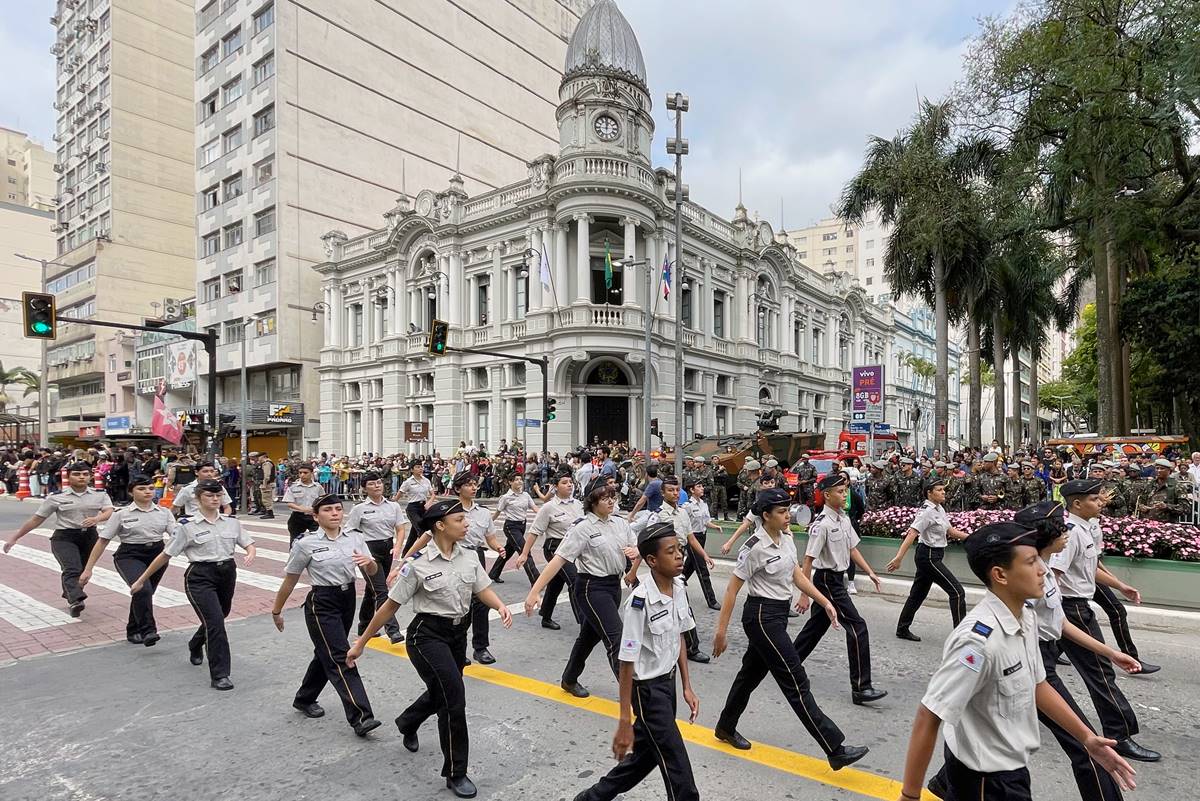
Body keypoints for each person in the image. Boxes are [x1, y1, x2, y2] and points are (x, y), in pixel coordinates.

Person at [896, 522, 1137, 801]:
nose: (1043, 570)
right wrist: (910, 796)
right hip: (985, 780)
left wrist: (1087, 738)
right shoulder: (977, 640)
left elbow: (1037, 684)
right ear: (1000, 575)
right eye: (1031, 561)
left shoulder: (1026, 616)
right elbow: (930, 714)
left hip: (1012, 771)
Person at [347, 498, 512, 800]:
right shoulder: (418, 564)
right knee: (453, 699)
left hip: (458, 634)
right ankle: (456, 772)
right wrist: (361, 643)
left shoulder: (469, 556)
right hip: (426, 637)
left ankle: (408, 721)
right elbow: (388, 607)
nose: (467, 524)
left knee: (443, 691)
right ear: (440, 525)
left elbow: (481, 588)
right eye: (460, 520)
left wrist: (500, 605)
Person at [710, 488, 868, 769]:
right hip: (761, 617)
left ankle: (725, 726)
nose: (788, 516)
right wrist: (721, 631)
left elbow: (796, 574)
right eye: (782, 512)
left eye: (788, 510)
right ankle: (835, 748)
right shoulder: (754, 547)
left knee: (749, 676)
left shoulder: (786, 540)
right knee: (796, 680)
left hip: (778, 614)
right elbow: (733, 590)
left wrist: (824, 601)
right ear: (765, 515)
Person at [1008, 500, 1141, 801]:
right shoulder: (1029, 578)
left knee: (998, 734)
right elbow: (1018, 631)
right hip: (1033, 666)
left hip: (1046, 658)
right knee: (1087, 745)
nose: (1067, 532)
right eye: (1061, 528)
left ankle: (946, 784)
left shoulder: (1044, 571)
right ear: (1045, 535)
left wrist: (1111, 653)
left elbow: (1062, 623)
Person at [570, 522, 701, 801]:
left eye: (679, 549)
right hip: (648, 692)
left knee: (645, 757)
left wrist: (687, 685)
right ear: (652, 560)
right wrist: (624, 721)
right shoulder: (639, 603)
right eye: (671, 552)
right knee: (679, 771)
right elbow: (626, 662)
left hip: (668, 685)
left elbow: (678, 637)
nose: (679, 556)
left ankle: (591, 798)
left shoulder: (679, 587)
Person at [1049, 479, 1161, 762]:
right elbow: (1055, 576)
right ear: (1076, 503)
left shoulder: (1084, 530)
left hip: (1072, 608)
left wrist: (1120, 585)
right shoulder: (1071, 534)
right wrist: (1053, 613)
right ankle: (1119, 735)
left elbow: (1088, 569)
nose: (1100, 502)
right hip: (1070, 610)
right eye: (1094, 499)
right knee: (1101, 673)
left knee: (1039, 668)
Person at [270, 494, 381, 737]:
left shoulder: (355, 537)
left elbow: (371, 570)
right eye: (328, 510)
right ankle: (361, 716)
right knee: (341, 656)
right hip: (322, 602)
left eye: (338, 509)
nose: (334, 513)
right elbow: (291, 579)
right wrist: (277, 610)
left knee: (326, 653)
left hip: (348, 598)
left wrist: (369, 563)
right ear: (316, 516)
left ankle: (304, 698)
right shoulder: (304, 543)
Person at [130, 479, 256, 690]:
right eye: (209, 495)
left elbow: (248, 542)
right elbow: (165, 555)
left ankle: (195, 643)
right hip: (200, 576)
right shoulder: (187, 526)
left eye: (218, 495)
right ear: (198, 499)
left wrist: (250, 552)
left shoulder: (231, 522)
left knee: (220, 615)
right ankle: (220, 675)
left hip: (227, 573)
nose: (215, 499)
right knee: (216, 623)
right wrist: (141, 580)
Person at [525, 480, 638, 699]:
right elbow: (558, 560)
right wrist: (535, 591)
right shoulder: (582, 527)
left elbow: (637, 547)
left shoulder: (619, 523)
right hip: (591, 588)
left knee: (588, 636)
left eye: (612, 497)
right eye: (605, 498)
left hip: (614, 587)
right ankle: (634, 696)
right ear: (592, 502)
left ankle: (569, 678)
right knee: (616, 638)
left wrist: (635, 557)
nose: (611, 502)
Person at [792, 472, 887, 704]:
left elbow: (852, 549)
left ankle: (787, 664)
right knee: (857, 627)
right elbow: (808, 560)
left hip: (837, 579)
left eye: (845, 491)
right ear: (826, 495)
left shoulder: (843, 519)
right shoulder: (821, 525)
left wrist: (871, 572)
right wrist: (804, 594)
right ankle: (861, 687)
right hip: (826, 580)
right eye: (840, 492)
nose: (845, 495)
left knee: (815, 628)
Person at [405, 472, 506, 665]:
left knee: (481, 604)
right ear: (458, 488)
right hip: (450, 556)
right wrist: (405, 560)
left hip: (474, 557)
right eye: (469, 484)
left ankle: (481, 647)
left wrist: (498, 547)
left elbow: (490, 538)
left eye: (475, 484)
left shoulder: (483, 512)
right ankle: (458, 648)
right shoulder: (449, 511)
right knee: (459, 603)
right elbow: (426, 537)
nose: (474, 487)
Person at [3, 461, 114, 616]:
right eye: (76, 474)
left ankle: (72, 594)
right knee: (71, 568)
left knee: (82, 571)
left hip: (90, 536)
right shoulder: (56, 497)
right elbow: (37, 519)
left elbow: (109, 511)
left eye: (85, 474)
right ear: (68, 477)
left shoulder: (100, 494)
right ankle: (76, 600)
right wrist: (15, 538)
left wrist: (97, 519)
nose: (81, 477)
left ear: (90, 477)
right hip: (64, 537)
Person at [79, 474, 177, 645]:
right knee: (143, 590)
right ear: (131, 492)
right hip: (130, 555)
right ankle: (148, 631)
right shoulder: (121, 514)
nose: (147, 492)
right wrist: (88, 569)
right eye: (141, 489)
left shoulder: (164, 512)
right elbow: (103, 541)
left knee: (144, 593)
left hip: (157, 555)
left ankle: (133, 629)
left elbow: (176, 536)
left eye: (150, 488)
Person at [887, 476, 968, 642]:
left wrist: (973, 537)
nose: (943, 492)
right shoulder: (927, 512)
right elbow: (912, 533)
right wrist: (898, 558)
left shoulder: (939, 508)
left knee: (917, 595)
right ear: (929, 493)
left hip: (933, 555)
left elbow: (950, 531)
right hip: (929, 556)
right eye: (939, 490)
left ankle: (902, 629)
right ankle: (961, 638)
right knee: (957, 592)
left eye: (943, 489)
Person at [515, 472, 583, 631]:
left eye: (570, 482)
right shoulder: (549, 507)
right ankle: (585, 622)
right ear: (555, 487)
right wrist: (524, 554)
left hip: (573, 547)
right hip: (555, 548)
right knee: (574, 581)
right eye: (564, 482)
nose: (569, 485)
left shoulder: (579, 504)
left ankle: (546, 615)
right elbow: (534, 531)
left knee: (556, 583)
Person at [344, 472, 405, 644]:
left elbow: (400, 528)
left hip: (387, 548)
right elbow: (350, 531)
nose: (377, 486)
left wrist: (398, 546)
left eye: (379, 482)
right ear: (364, 488)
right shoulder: (359, 509)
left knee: (373, 590)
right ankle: (392, 629)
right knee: (381, 591)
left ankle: (364, 626)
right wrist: (358, 551)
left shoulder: (393, 506)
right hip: (369, 551)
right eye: (372, 483)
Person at [488, 475, 540, 586]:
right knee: (525, 551)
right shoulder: (506, 497)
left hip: (522, 526)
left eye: (520, 479)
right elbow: (497, 512)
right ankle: (536, 580)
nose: (519, 481)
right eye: (516, 480)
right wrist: (488, 523)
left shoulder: (525, 495)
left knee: (508, 550)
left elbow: (535, 508)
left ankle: (493, 574)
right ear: (510, 482)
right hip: (511, 527)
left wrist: (546, 517)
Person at [681, 479, 722, 610]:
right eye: (698, 486)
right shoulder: (687, 506)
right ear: (692, 490)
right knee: (702, 569)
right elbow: (682, 524)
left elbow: (705, 521)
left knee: (690, 566)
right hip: (692, 538)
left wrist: (715, 527)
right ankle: (712, 600)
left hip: (702, 537)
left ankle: (676, 583)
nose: (702, 488)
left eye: (702, 486)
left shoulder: (703, 504)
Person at [395, 461, 434, 554]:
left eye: (421, 467)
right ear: (412, 469)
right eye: (417, 467)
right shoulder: (408, 482)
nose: (420, 468)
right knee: (421, 529)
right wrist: (393, 503)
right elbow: (399, 494)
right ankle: (423, 551)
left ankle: (405, 553)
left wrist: (429, 503)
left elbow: (433, 494)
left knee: (413, 533)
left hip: (423, 507)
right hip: (413, 508)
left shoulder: (426, 480)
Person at [284, 464, 323, 545]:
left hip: (313, 517)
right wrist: (302, 509)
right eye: (300, 473)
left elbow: (323, 501)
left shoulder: (318, 487)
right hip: (298, 517)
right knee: (295, 542)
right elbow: (289, 503)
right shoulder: (293, 486)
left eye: (305, 473)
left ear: (311, 473)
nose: (302, 475)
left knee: (317, 541)